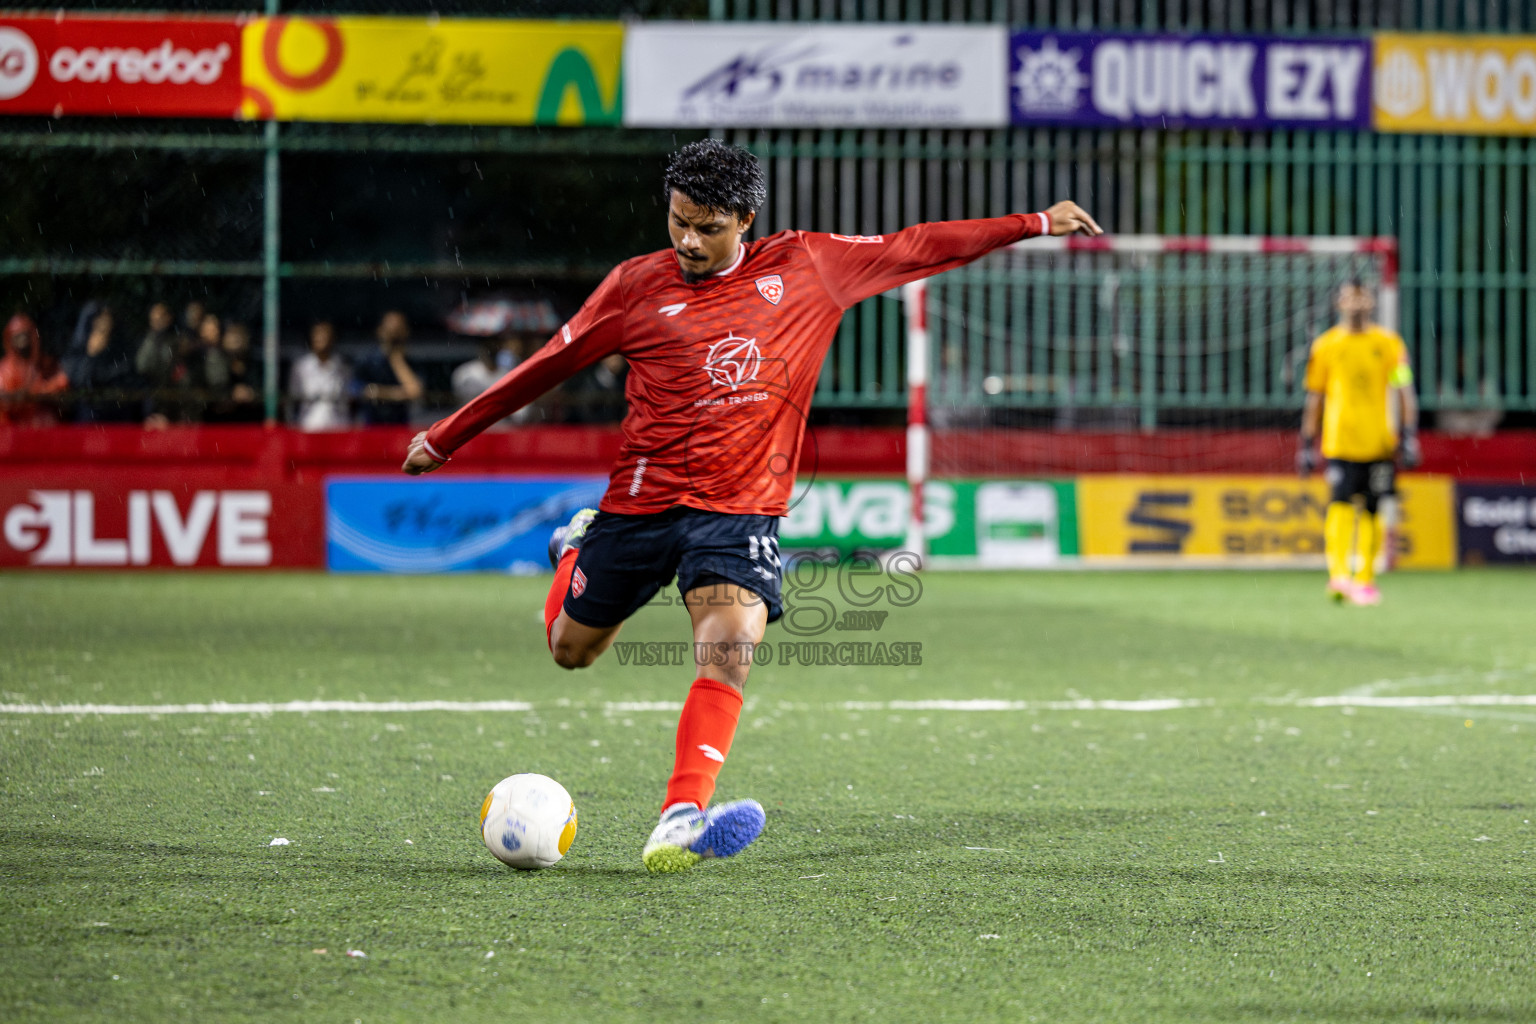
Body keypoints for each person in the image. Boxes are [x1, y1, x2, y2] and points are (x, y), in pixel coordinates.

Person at [400, 138, 1101, 873]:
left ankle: (680, 816)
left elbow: (919, 245)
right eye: (678, 222)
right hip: (641, 503)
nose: (688, 241)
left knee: (730, 646)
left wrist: (1032, 223)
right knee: (570, 651)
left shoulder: (808, 265)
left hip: (737, 511)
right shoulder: (634, 286)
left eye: (707, 227)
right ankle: (575, 545)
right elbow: (549, 364)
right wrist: (445, 438)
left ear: (745, 221)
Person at [1297, 279, 1420, 606]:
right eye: (1349, 297)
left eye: (1361, 296)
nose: (1355, 303)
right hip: (1340, 442)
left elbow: (1404, 389)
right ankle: (1338, 575)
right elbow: (1315, 396)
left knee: (1373, 509)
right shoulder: (1325, 345)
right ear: (1339, 302)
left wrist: (1409, 435)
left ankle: (1365, 579)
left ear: (1371, 302)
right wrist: (1306, 443)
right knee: (1339, 504)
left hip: (1379, 443)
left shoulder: (1388, 343)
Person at [66, 303, 139, 423]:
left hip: (117, 414)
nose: (103, 325)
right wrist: (91, 355)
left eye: (107, 320)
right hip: (88, 415)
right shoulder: (78, 348)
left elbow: (126, 379)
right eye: (98, 321)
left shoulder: (121, 348)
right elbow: (79, 382)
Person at [354, 310, 423, 425]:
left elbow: (414, 392)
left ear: (406, 332)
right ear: (380, 331)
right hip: (371, 425)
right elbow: (361, 391)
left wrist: (397, 359)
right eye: (390, 330)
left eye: (398, 330)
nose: (394, 334)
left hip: (400, 426)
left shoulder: (410, 362)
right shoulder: (367, 361)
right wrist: (398, 394)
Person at [0, 313, 68, 426]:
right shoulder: (5, 369)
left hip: (45, 425)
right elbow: (6, 401)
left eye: (26, 335)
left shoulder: (46, 364)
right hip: (15, 428)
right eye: (17, 336)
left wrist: (38, 392)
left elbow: (62, 384)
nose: (23, 341)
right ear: (10, 340)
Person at [288, 320, 351, 431]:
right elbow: (293, 399)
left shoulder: (342, 366)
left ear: (332, 338)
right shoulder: (301, 367)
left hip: (337, 427)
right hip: (309, 427)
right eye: (318, 335)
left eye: (325, 335)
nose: (321, 339)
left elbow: (347, 398)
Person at [134, 301, 184, 426]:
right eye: (154, 317)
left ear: (169, 318)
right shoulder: (144, 340)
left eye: (161, 316)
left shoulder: (177, 342)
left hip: (171, 402)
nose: (157, 320)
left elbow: (178, 374)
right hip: (147, 402)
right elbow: (141, 367)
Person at [206, 321, 263, 423]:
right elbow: (214, 387)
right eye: (231, 338)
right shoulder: (217, 359)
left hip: (248, 419)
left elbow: (260, 387)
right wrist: (231, 394)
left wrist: (250, 393)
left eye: (238, 339)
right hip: (220, 419)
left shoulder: (251, 363)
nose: (235, 344)